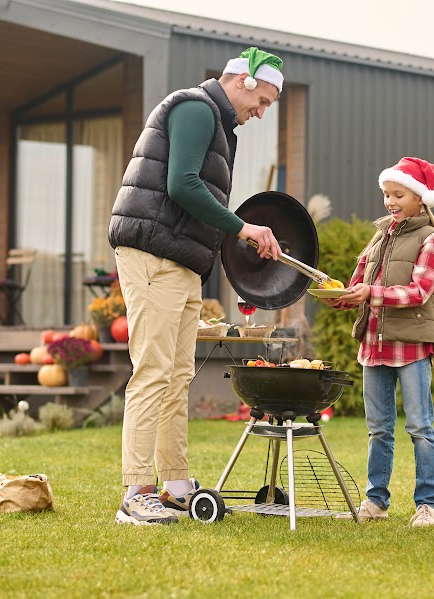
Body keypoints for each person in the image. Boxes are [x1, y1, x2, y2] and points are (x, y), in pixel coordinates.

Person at [108, 47, 284, 525]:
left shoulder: (219, 124)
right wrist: (242, 228)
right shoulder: (194, 107)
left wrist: (237, 237)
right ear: (243, 80)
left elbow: (198, 197)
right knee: (152, 370)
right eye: (263, 100)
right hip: (153, 252)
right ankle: (136, 491)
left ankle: (175, 484)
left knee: (178, 374)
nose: (262, 112)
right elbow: (183, 185)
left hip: (183, 261)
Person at [323, 157, 434, 527]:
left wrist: (370, 293)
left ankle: (428, 506)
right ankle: (376, 501)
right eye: (386, 195)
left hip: (411, 347)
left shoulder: (432, 241)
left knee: (420, 428)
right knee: (378, 429)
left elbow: (419, 292)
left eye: (398, 195)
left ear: (419, 199)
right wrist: (339, 296)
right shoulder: (379, 237)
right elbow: (359, 286)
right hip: (374, 346)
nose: (390, 202)